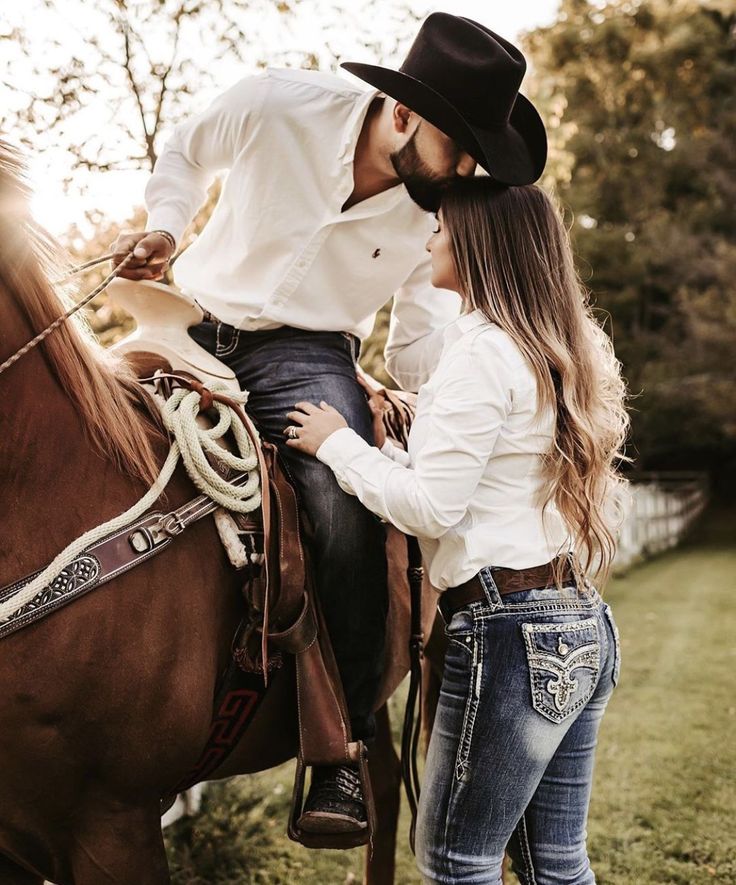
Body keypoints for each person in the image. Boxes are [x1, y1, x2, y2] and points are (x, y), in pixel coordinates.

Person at [110, 13, 547, 833]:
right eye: (462, 147)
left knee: (342, 509)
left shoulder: (436, 207)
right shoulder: (280, 102)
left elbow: (418, 334)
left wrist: (456, 410)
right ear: (408, 114)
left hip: (306, 358)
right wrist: (166, 225)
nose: (466, 169)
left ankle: (338, 751)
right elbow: (186, 150)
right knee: (66, 431)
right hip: (185, 321)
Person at [285, 176, 628, 883]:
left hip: (507, 632)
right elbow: (473, 480)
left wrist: (335, 444)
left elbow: (431, 509)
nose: (431, 237)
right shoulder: (551, 346)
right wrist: (392, 433)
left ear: (476, 245)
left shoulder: (478, 352)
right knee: (555, 861)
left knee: (457, 860)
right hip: (577, 618)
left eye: (440, 228)